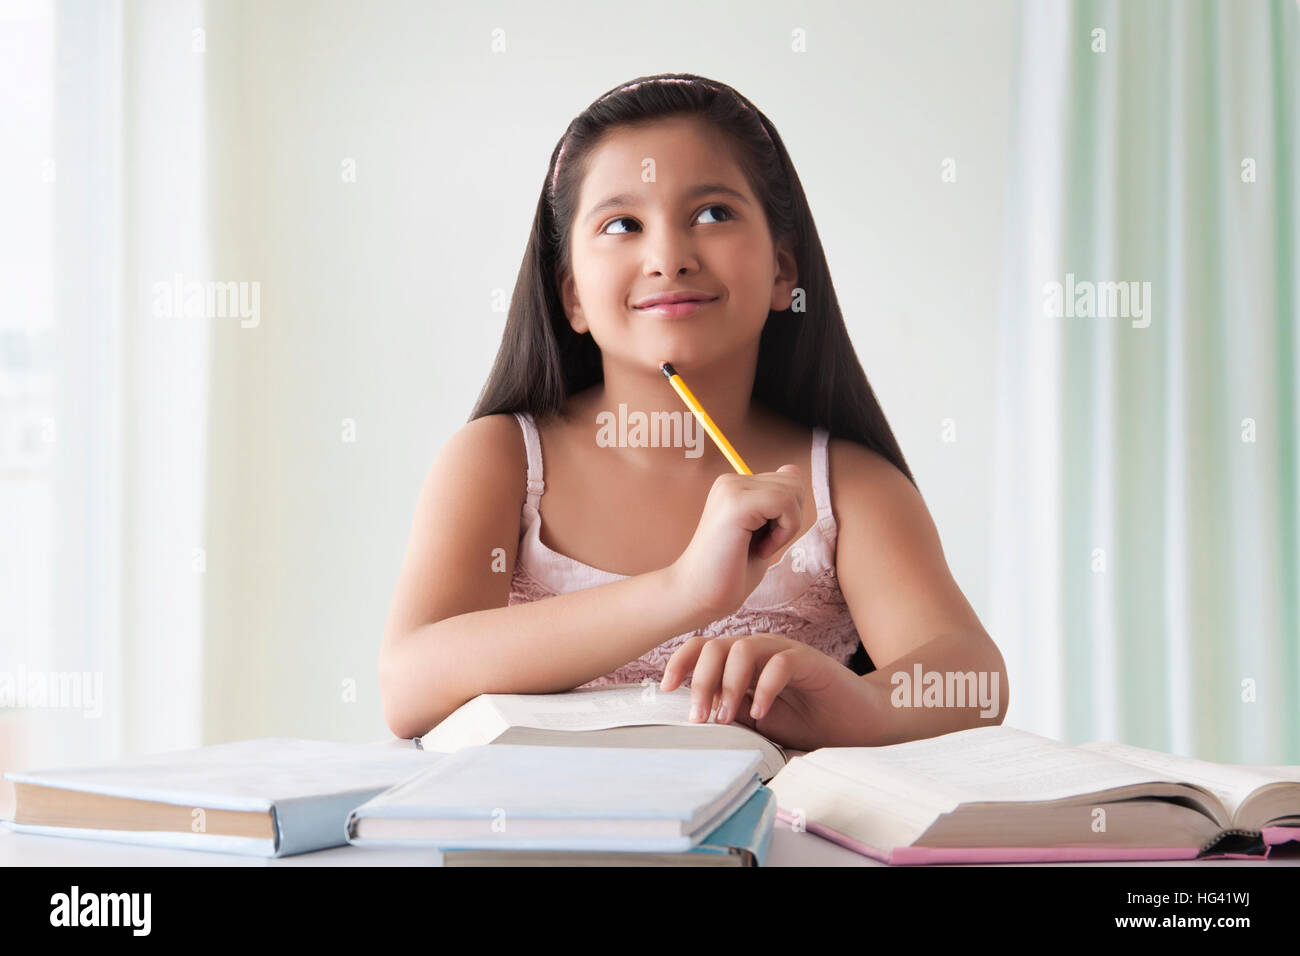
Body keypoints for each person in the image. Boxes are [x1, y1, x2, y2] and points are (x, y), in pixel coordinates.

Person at [379, 73, 1007, 751]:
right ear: (573, 300)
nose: (669, 257)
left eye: (712, 213)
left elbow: (973, 679)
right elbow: (409, 683)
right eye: (623, 224)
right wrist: (682, 591)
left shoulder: (845, 485)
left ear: (781, 272)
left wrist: (861, 704)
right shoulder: (501, 460)